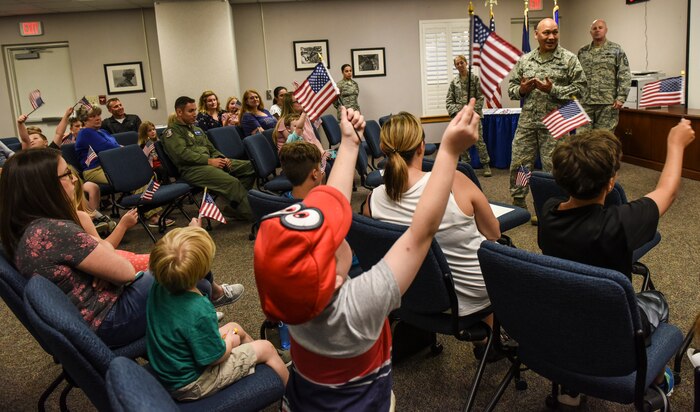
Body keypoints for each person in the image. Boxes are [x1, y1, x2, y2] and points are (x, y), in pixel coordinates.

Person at [254, 100, 481, 411]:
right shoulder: (357, 306)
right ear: (332, 280)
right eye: (335, 236)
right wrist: (450, 152)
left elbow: (332, 198)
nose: (340, 225)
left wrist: (349, 144)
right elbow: (421, 233)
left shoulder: (293, 303)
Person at [0, 150, 245, 347]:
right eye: (66, 175)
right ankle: (208, 316)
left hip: (91, 315)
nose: (74, 179)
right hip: (107, 319)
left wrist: (102, 271)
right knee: (184, 262)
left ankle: (207, 305)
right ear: (43, 187)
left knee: (189, 274)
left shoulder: (27, 229)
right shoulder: (53, 231)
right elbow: (125, 272)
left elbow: (102, 262)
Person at [538, 124, 695, 404]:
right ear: (611, 183)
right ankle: (656, 383)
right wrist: (675, 144)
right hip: (614, 328)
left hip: (562, 319)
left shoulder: (548, 212)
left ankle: (572, 388)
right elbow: (667, 191)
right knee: (656, 301)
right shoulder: (619, 224)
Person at [361, 112, 500, 357]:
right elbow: (493, 234)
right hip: (468, 296)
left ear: (382, 149)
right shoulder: (456, 181)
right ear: (422, 147)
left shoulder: (372, 201)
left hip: (410, 295)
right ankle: (487, 346)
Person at [146, 226, 289, 401]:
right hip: (193, 383)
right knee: (266, 348)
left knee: (235, 327)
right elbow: (214, 358)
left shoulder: (159, 285)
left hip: (172, 365)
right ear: (202, 272)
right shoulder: (198, 309)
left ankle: (257, 363)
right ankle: (293, 398)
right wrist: (228, 343)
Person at [507, 18, 587, 211]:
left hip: (556, 122)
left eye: (555, 32)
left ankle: (549, 205)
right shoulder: (525, 60)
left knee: (553, 167)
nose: (551, 37)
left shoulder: (569, 59)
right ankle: (519, 201)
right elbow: (511, 89)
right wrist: (522, 90)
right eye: (546, 33)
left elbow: (581, 89)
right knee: (522, 163)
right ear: (536, 35)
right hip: (528, 122)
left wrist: (553, 90)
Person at [161, 96, 256, 221]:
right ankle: (254, 215)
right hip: (192, 169)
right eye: (190, 111)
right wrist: (209, 161)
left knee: (251, 167)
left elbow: (211, 148)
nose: (195, 114)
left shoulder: (197, 129)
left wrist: (222, 157)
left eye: (195, 110)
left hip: (210, 163)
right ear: (179, 112)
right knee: (232, 182)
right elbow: (182, 154)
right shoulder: (172, 132)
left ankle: (236, 208)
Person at [577, 19, 631, 132]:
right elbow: (577, 76)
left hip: (607, 104)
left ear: (606, 30)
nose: (597, 30)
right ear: (590, 32)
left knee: (603, 141)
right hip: (585, 103)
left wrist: (621, 98)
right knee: (582, 139)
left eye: (600, 27)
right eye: (594, 28)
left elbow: (624, 74)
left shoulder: (616, 50)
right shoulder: (582, 51)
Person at [446, 55, 492, 177]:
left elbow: (480, 97)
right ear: (455, 66)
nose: (460, 65)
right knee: (462, 142)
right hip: (460, 117)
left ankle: (486, 165)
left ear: (466, 63)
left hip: (474, 116)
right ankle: (466, 165)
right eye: (457, 64)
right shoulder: (454, 83)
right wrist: (458, 112)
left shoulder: (475, 79)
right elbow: (449, 101)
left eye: (462, 62)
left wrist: (472, 111)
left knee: (479, 141)